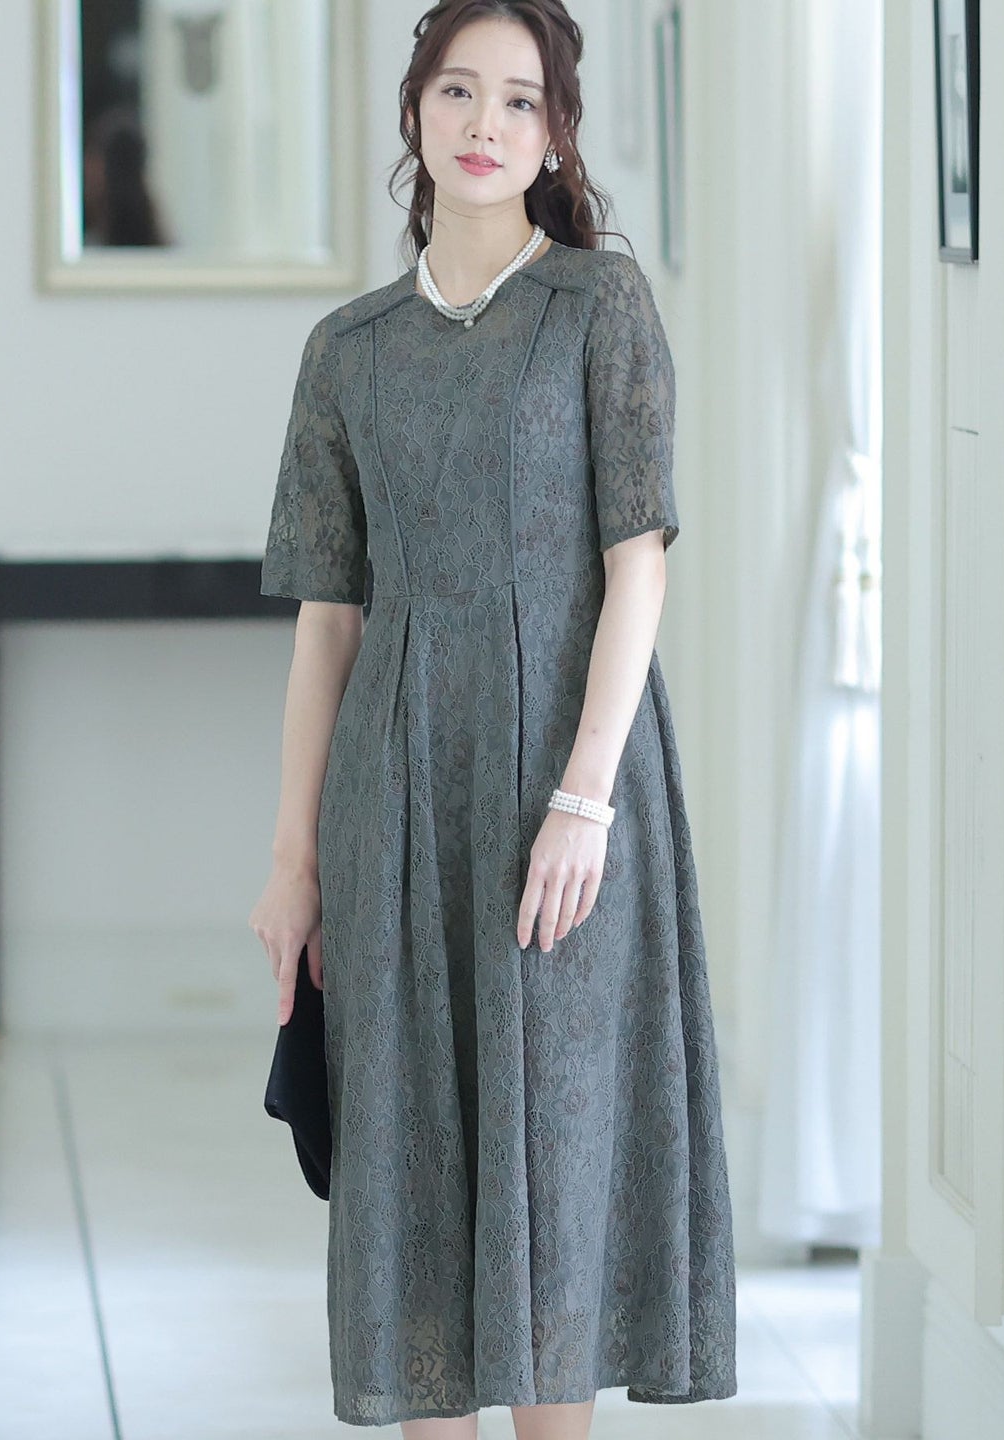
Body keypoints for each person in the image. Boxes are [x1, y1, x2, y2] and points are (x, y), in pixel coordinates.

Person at [247, 1, 737, 1434]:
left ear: (557, 132)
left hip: (563, 793)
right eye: (458, 91)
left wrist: (584, 797)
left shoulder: (600, 307)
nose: (485, 124)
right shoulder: (347, 349)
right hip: (394, 792)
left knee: (554, 1177)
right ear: (414, 111)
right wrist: (292, 860)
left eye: (521, 100)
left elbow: (637, 570)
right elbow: (328, 620)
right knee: (410, 1168)